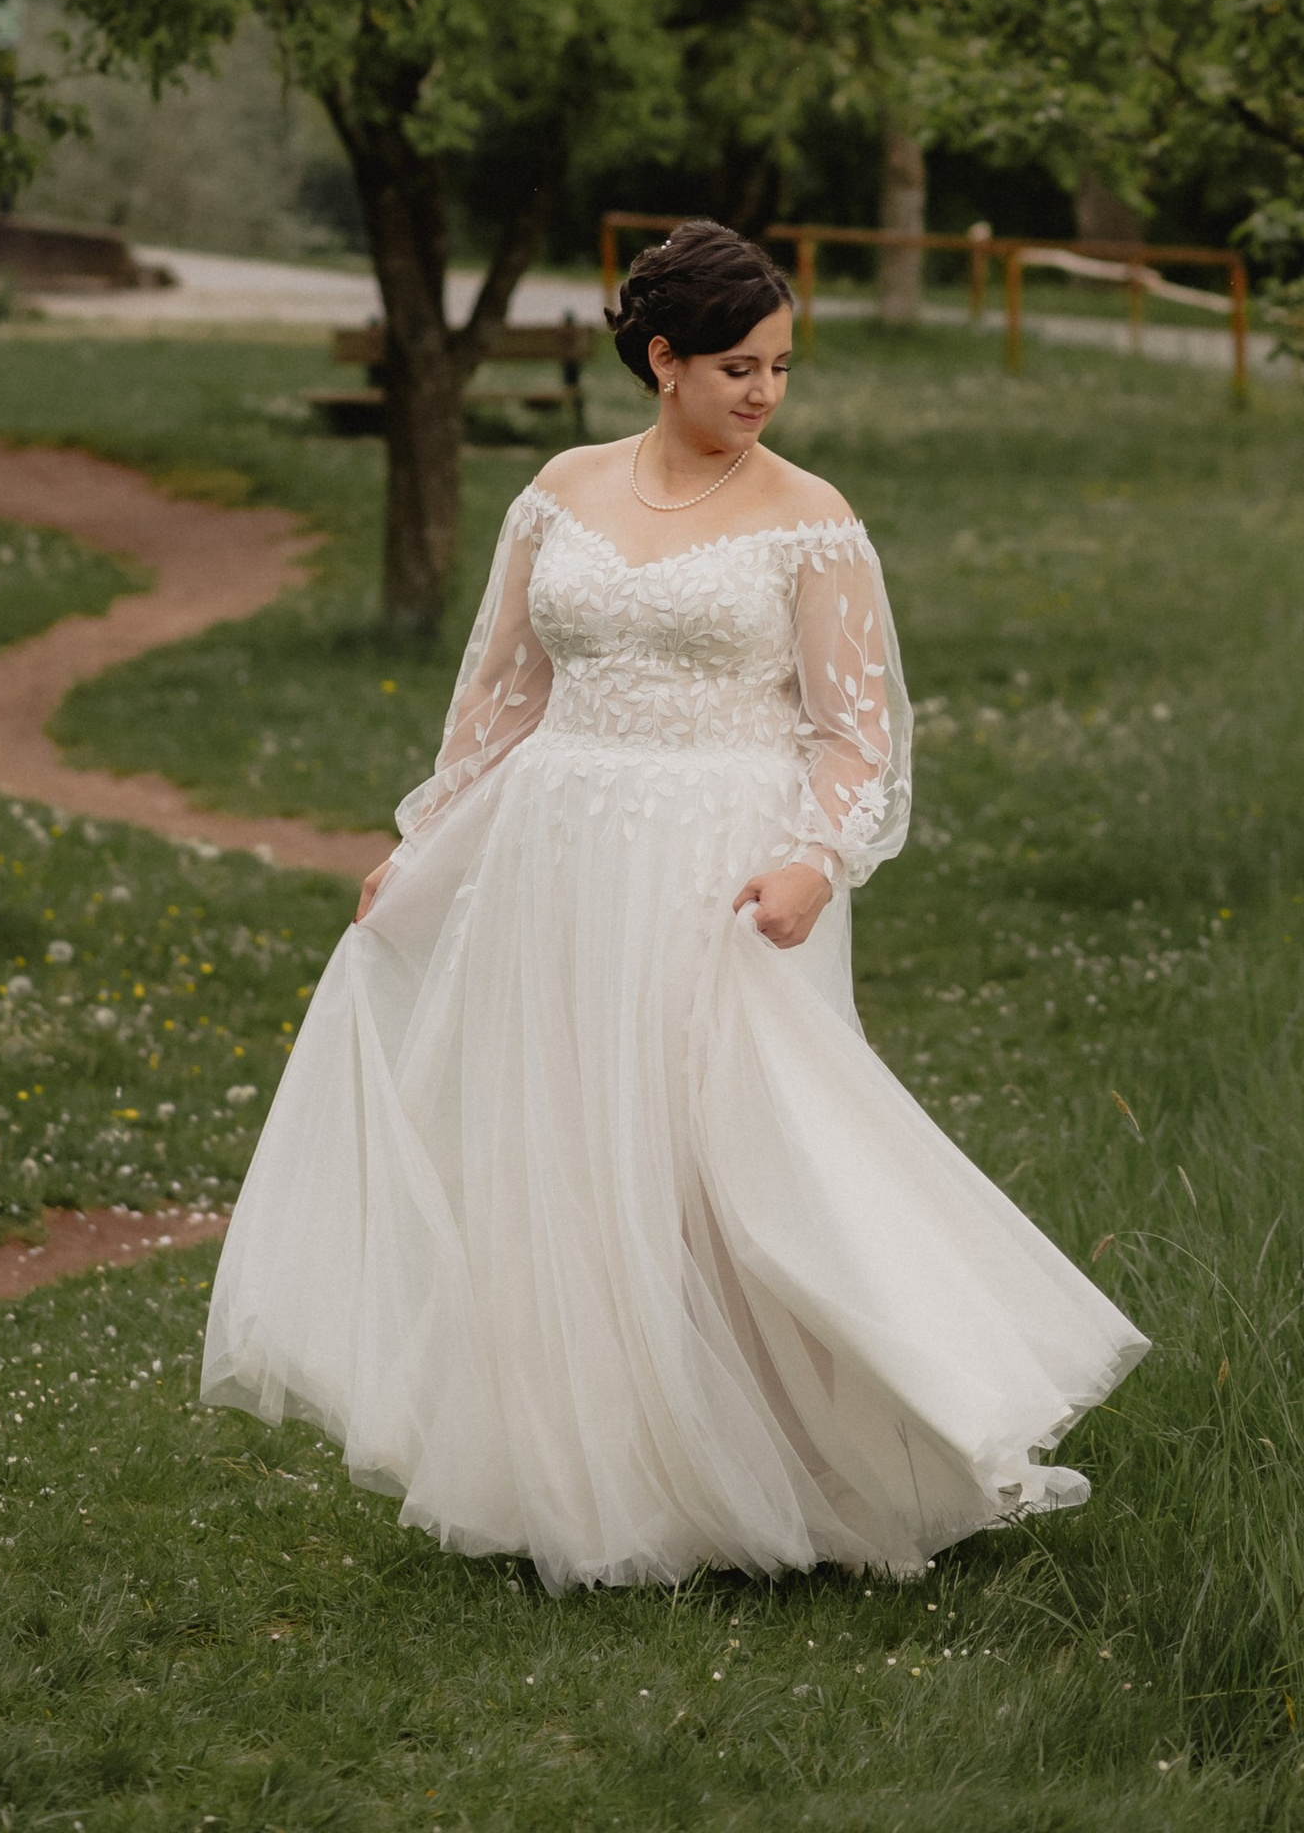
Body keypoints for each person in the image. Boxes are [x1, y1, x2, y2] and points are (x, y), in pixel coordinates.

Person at [201, 217, 1147, 1591]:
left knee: (728, 1157)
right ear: (662, 362)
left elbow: (854, 736)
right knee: (570, 1147)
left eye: (778, 369)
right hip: (556, 855)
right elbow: (504, 699)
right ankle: (597, 1472)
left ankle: (819, 1441)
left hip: (720, 866)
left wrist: (814, 860)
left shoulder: (810, 520)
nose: (764, 394)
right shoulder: (561, 492)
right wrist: (428, 840)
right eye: (736, 369)